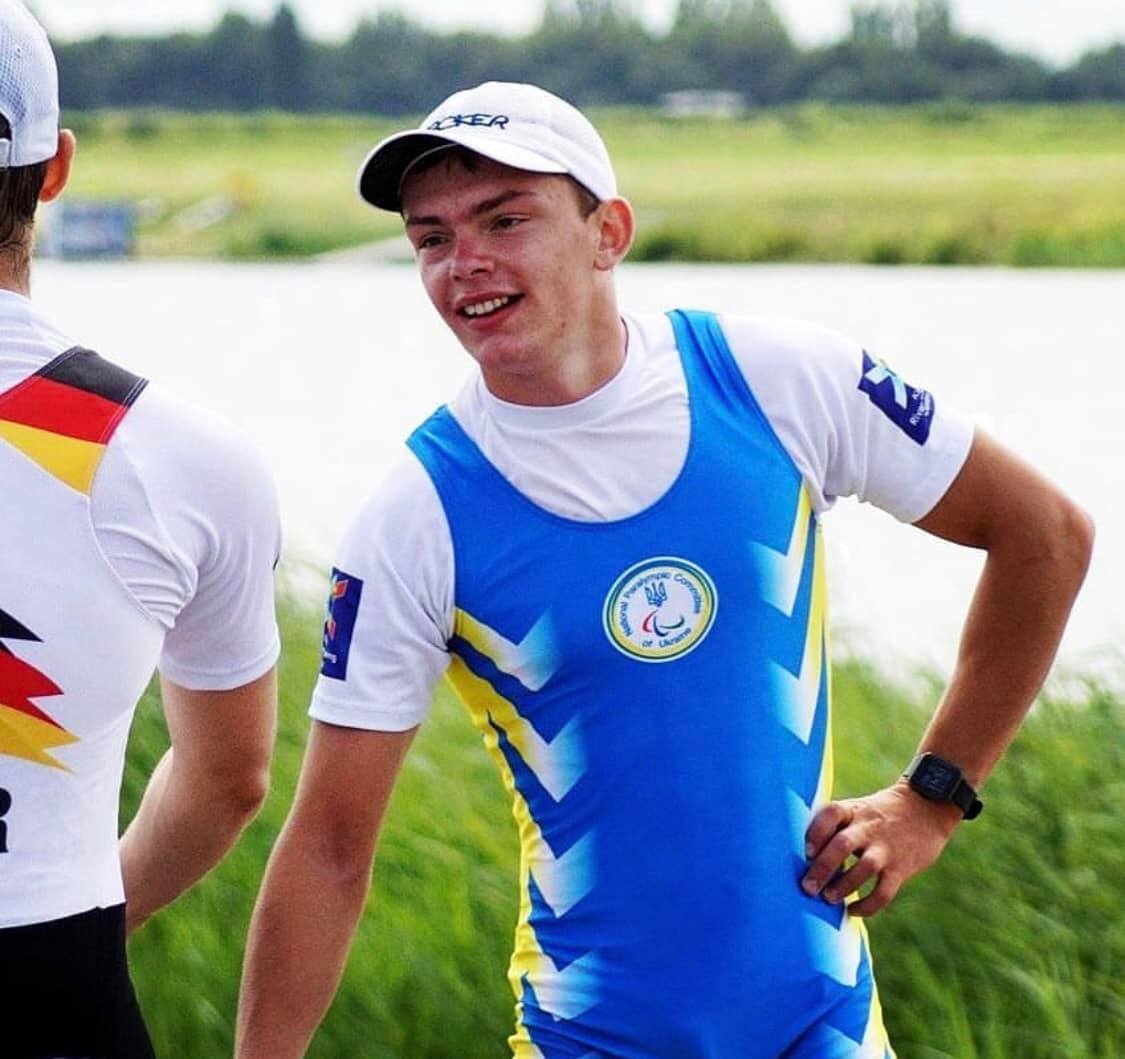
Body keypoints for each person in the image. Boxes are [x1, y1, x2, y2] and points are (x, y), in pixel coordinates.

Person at [236, 81, 1092, 1059]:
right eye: (432, 238)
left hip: (824, 1027)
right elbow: (329, 844)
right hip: (591, 1036)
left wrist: (930, 799)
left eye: (505, 220)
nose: (464, 262)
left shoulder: (776, 381)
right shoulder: (416, 514)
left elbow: (1045, 535)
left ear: (608, 232)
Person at [0, 4, 282, 1056]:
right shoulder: (186, 457)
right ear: (57, 169)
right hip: (53, 985)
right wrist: (90, 918)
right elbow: (230, 778)